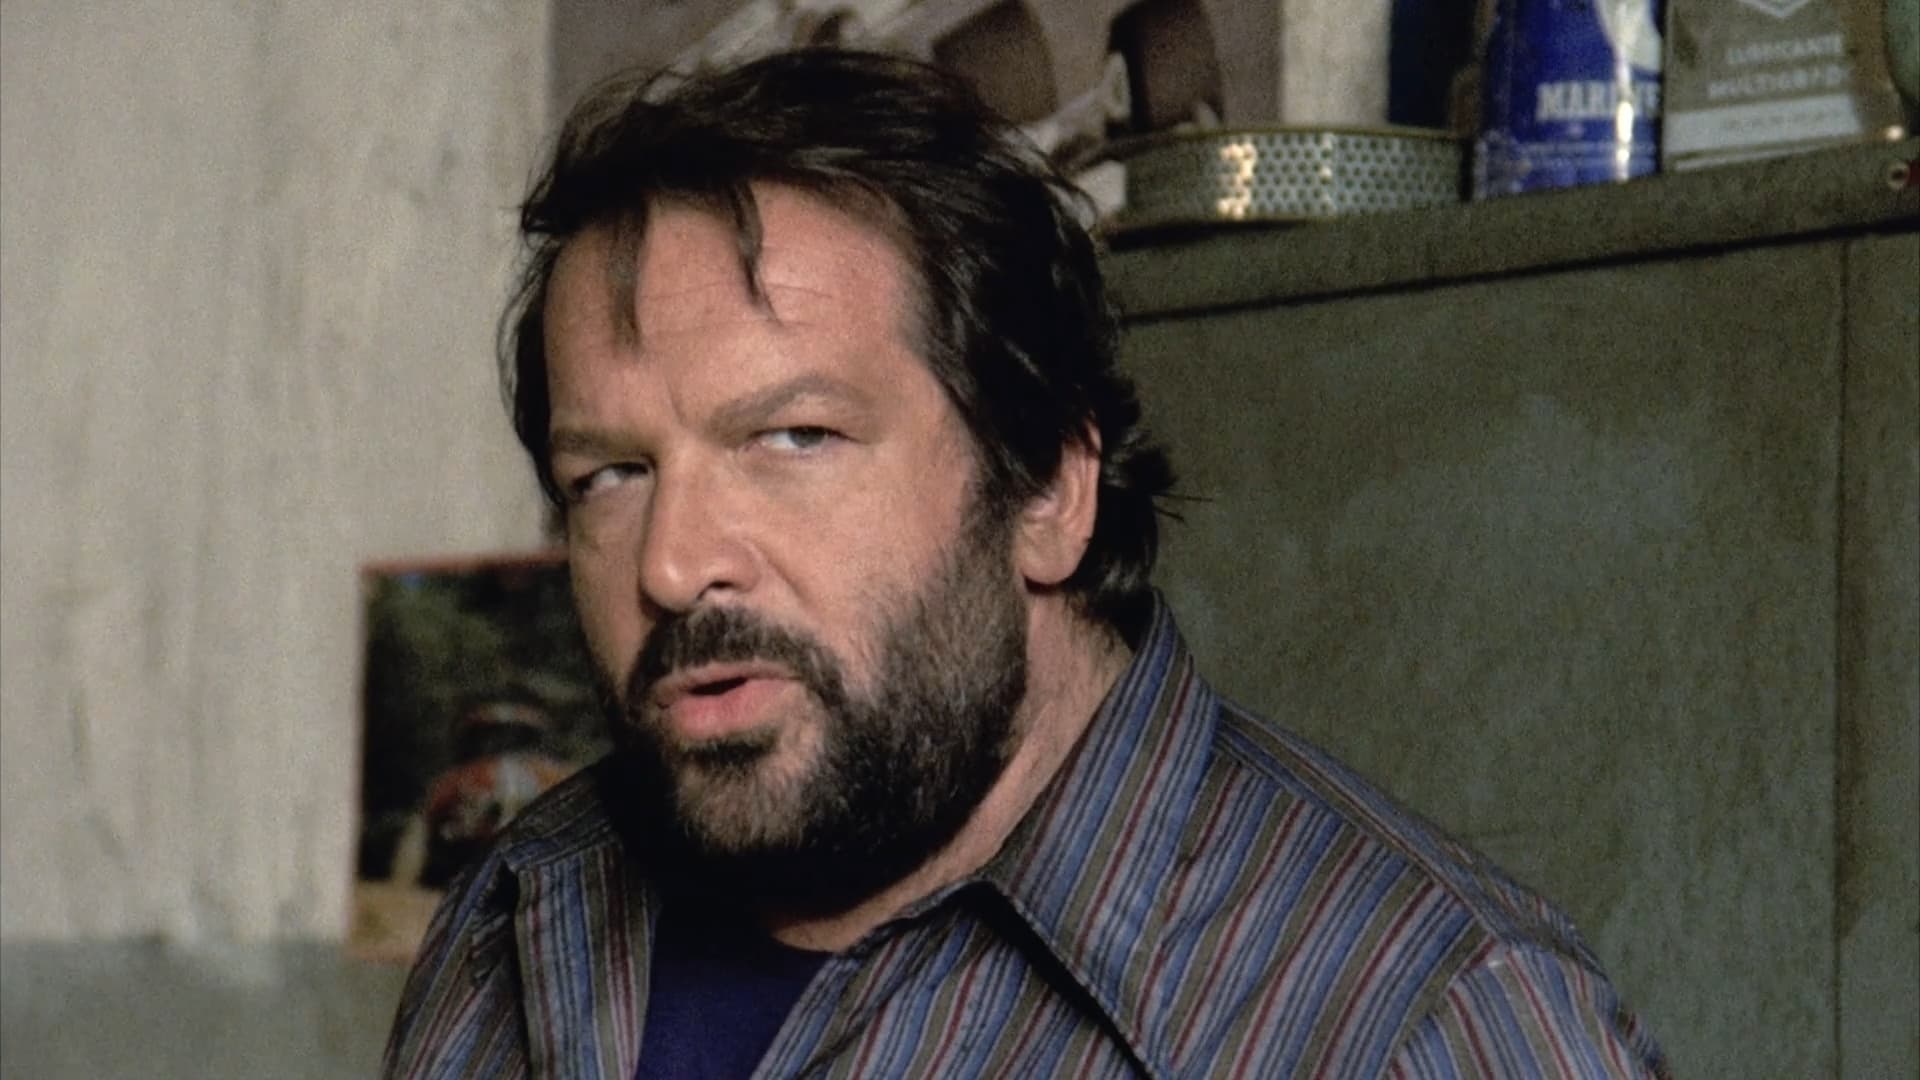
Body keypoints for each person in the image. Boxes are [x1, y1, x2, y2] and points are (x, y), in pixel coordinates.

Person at [384, 48, 1668, 1079]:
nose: (674, 566)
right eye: (610, 476)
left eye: (794, 438)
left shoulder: (1426, 1021)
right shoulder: (517, 912)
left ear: (1049, 486)